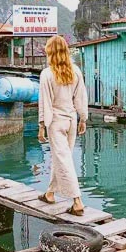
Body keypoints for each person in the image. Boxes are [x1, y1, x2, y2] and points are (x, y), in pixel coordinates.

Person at [36, 35, 89, 216]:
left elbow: (45, 103)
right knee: (61, 158)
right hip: (71, 121)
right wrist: (83, 119)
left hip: (55, 122)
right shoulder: (75, 71)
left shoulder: (47, 74)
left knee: (63, 159)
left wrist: (41, 125)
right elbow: (81, 98)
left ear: (50, 52)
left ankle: (77, 201)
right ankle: (50, 193)